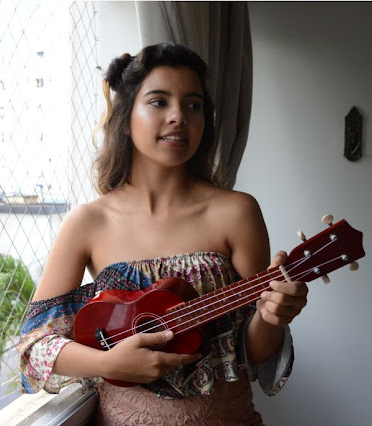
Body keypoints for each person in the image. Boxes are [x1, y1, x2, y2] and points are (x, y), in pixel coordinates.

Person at [18, 43, 308, 425]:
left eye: (193, 105)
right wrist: (108, 363)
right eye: (159, 102)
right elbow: (34, 344)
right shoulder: (88, 222)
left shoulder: (237, 212)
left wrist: (273, 316)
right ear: (125, 118)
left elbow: (252, 354)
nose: (178, 117)